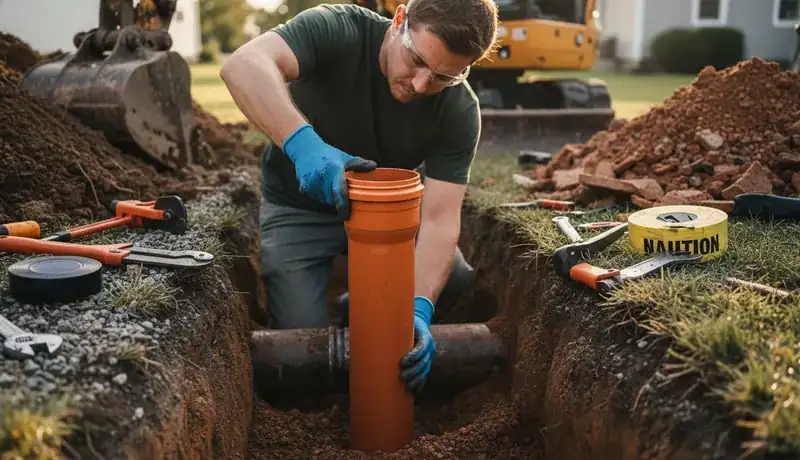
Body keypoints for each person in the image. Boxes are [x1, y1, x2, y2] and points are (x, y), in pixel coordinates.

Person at [220, 0, 498, 393]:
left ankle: (362, 307)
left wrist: (417, 309)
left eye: (443, 77)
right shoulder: (339, 30)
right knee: (303, 348)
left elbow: (439, 221)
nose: (421, 85)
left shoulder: (459, 110)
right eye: (417, 61)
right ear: (399, 21)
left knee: (453, 276)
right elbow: (242, 65)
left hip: (385, 216)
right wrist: (304, 147)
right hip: (300, 208)